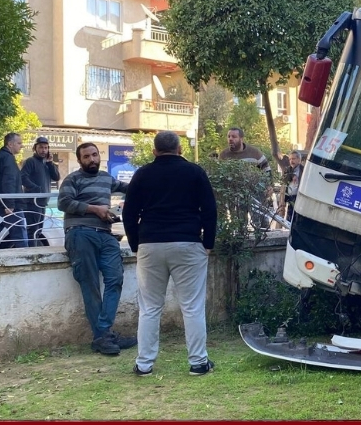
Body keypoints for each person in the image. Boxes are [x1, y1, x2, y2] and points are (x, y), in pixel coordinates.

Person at [122, 131, 218, 377]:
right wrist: (208, 242)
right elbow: (209, 209)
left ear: (154, 151)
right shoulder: (194, 172)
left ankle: (144, 364)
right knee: (192, 306)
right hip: (187, 243)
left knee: (150, 308)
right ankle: (198, 362)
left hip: (150, 244)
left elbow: (129, 213)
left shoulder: (142, 174)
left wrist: (136, 243)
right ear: (180, 149)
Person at [58, 142, 137, 356]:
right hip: (80, 233)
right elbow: (63, 203)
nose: (92, 159)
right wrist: (95, 209)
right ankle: (105, 336)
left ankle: (102, 334)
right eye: (86, 157)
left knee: (115, 279)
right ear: (80, 160)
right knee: (90, 284)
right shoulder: (73, 179)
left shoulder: (106, 178)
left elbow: (129, 188)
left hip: (106, 235)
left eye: (94, 155)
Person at [0, 133, 29, 249]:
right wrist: (10, 204)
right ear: (10, 144)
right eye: (19, 143)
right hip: (8, 206)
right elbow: (9, 181)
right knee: (20, 238)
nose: (21, 146)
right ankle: (25, 264)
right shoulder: (8, 158)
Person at [219, 127, 272, 229]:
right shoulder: (224, 155)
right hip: (235, 194)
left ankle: (265, 238)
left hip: (255, 193)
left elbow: (266, 169)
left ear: (241, 139)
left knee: (260, 220)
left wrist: (269, 185)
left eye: (234, 136)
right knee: (239, 222)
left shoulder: (254, 152)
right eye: (229, 136)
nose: (230, 139)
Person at [20, 137, 61, 246]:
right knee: (32, 231)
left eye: (46, 148)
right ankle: (31, 255)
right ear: (35, 148)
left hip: (42, 202)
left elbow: (56, 177)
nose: (43, 150)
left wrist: (50, 163)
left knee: (38, 231)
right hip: (32, 202)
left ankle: (35, 253)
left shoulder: (47, 163)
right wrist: (36, 189)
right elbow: (23, 177)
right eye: (41, 147)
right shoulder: (30, 162)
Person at [281, 150, 305, 221]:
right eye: (290, 159)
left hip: (299, 197)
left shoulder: (303, 169)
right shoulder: (288, 170)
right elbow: (284, 180)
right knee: (289, 217)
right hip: (290, 197)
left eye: (293, 159)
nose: (291, 161)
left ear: (299, 159)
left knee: (298, 218)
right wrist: (293, 175)